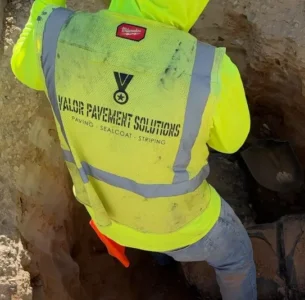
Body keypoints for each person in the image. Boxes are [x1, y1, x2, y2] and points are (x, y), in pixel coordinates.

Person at [11, 0, 256, 299]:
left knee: (148, 224)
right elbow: (231, 143)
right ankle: (169, 255)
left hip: (107, 218)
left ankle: (160, 259)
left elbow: (23, 69)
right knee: (236, 256)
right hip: (186, 227)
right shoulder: (208, 68)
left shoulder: (57, 34)